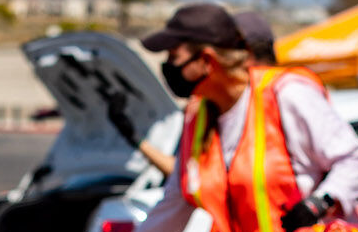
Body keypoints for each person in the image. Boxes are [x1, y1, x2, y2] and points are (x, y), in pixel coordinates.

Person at [116, 2, 358, 232]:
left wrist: (320, 202)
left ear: (207, 59)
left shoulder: (285, 94)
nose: (167, 67)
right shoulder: (199, 117)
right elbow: (174, 203)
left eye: (174, 57)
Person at [107, 10, 280, 178]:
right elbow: (186, 179)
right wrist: (135, 138)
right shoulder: (204, 113)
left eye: (174, 56)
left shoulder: (284, 97)